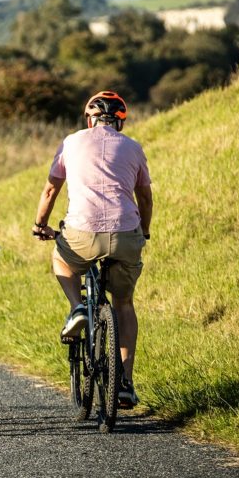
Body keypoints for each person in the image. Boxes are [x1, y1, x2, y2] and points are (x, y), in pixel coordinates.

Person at [31, 91, 152, 408]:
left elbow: (50, 189)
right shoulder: (134, 148)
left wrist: (40, 224)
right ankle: (124, 383)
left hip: (82, 234)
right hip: (126, 234)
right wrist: (146, 231)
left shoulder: (70, 142)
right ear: (120, 122)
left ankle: (78, 307)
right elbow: (146, 199)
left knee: (62, 259)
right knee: (124, 304)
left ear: (90, 119)